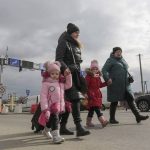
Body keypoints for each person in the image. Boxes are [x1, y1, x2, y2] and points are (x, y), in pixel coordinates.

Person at [55, 23, 90, 137]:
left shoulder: (75, 45)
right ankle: (79, 127)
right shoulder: (63, 42)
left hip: (75, 75)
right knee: (75, 99)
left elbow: (77, 63)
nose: (78, 34)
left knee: (68, 103)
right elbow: (59, 59)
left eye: (78, 33)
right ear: (70, 33)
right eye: (76, 32)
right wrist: (65, 68)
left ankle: (63, 126)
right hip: (67, 76)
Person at [102, 47, 149, 124]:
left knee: (130, 99)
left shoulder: (123, 60)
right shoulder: (110, 60)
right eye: (117, 51)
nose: (119, 53)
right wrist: (107, 79)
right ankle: (112, 119)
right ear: (113, 53)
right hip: (115, 84)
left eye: (120, 51)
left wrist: (129, 77)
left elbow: (125, 70)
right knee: (114, 101)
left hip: (126, 84)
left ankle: (138, 116)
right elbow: (104, 70)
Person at [40, 61, 72, 144]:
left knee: (51, 121)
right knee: (55, 119)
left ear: (59, 74)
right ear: (48, 73)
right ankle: (56, 137)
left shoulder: (60, 83)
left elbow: (68, 85)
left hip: (60, 106)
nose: (55, 75)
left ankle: (45, 131)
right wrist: (45, 109)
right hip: (51, 107)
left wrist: (68, 76)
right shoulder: (46, 83)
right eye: (52, 73)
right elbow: (43, 97)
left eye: (57, 74)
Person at [85, 60, 108, 127]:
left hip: (97, 94)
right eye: (93, 68)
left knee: (92, 110)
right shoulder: (88, 76)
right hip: (91, 95)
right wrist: (87, 93)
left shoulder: (97, 76)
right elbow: (86, 85)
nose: (95, 70)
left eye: (96, 68)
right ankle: (103, 121)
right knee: (97, 108)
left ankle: (88, 123)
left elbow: (100, 85)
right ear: (91, 69)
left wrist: (106, 83)